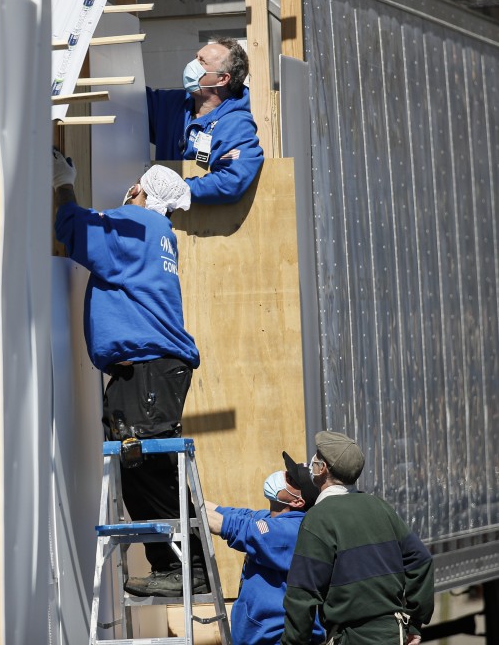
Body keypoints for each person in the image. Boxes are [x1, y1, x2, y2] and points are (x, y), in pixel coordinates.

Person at [52, 149, 204, 598]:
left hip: (151, 372)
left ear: (137, 191)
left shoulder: (139, 225)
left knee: (148, 467)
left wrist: (63, 183)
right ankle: (177, 565)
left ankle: (184, 567)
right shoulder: (159, 233)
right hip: (150, 370)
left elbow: (74, 231)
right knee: (143, 466)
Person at [282, 431, 435, 645]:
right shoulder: (380, 507)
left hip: (351, 638)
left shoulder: (318, 518)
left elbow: (302, 593)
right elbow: (422, 561)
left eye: (317, 457)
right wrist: (415, 621)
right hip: (393, 634)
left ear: (322, 468)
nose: (312, 462)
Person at [203, 452, 325, 645]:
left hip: (277, 638)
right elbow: (225, 513)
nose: (283, 474)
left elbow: (234, 527)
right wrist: (179, 498)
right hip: (258, 636)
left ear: (297, 501)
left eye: (290, 478)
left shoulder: (293, 530)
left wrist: (181, 509)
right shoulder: (271, 518)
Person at [146, 37, 264, 205]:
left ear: (223, 79)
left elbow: (230, 181)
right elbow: (130, 99)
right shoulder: (171, 105)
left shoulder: (236, 124)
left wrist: (176, 190)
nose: (191, 65)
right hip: (166, 221)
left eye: (201, 62)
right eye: (195, 57)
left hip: (202, 227)